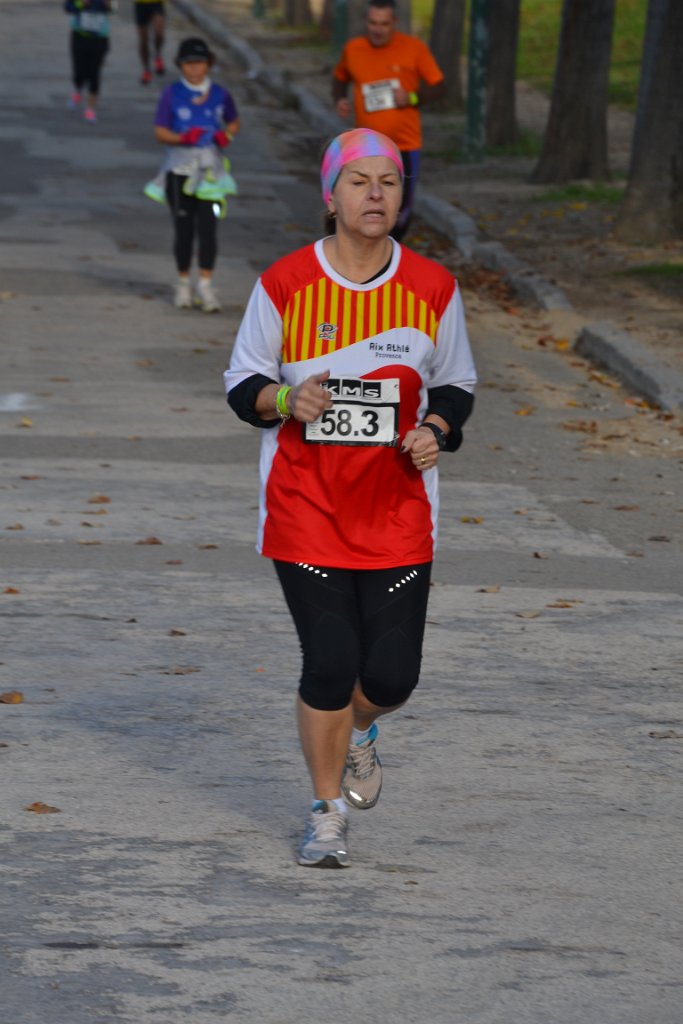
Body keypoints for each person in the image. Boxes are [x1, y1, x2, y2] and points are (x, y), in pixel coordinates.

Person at [224, 128, 476, 868]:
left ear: (401, 197)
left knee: (391, 677)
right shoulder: (285, 282)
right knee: (331, 660)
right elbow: (241, 383)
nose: (375, 194)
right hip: (305, 506)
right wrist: (284, 398)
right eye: (359, 181)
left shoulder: (432, 287)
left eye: (388, 182)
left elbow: (455, 385)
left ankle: (360, 729)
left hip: (396, 511)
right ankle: (326, 811)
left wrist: (436, 430)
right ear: (329, 197)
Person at [331, 0, 445, 241]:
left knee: (398, 212)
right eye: (373, 23)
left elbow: (439, 87)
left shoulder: (413, 48)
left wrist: (412, 97)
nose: (378, 29)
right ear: (366, 22)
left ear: (395, 22)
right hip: (365, 146)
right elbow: (340, 76)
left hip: (403, 145)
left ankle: (389, 255)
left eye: (384, 24)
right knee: (359, 206)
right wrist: (339, 98)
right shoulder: (354, 48)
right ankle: (361, 255)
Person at [145, 37, 240, 313]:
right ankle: (183, 283)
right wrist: (182, 138)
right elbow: (160, 132)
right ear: (180, 65)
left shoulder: (220, 94)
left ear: (208, 64)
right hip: (179, 172)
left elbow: (233, 121)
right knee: (184, 231)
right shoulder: (172, 94)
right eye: (188, 63)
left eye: (199, 62)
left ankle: (206, 287)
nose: (194, 68)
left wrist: (226, 135)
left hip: (211, 176)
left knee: (208, 230)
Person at [64, 0, 112, 124]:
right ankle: (78, 90)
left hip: (100, 38)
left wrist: (109, 5)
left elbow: (114, 9)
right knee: (79, 72)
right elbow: (68, 7)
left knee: (94, 74)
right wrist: (81, 3)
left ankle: (90, 110)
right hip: (79, 36)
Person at [134, 0, 166, 85]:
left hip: (156, 3)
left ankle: (157, 55)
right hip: (140, 4)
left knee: (159, 33)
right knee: (143, 40)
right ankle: (146, 69)